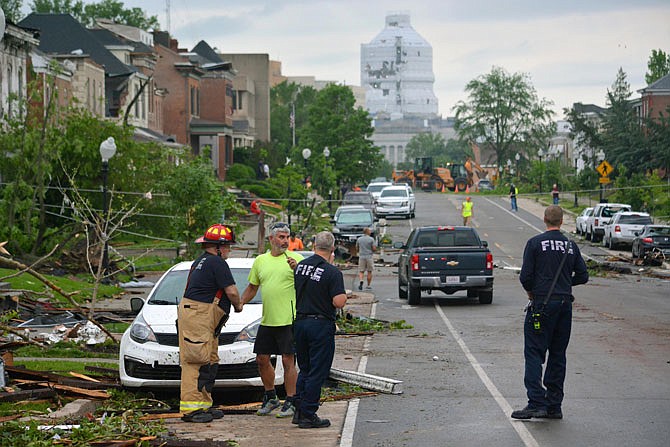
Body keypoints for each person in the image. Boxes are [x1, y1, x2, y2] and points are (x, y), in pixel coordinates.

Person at [512, 205, 589, 420]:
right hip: (564, 305)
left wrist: (534, 291)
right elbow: (583, 276)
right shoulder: (571, 246)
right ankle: (554, 405)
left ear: (544, 219)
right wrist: (565, 283)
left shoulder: (535, 243)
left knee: (534, 353)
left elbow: (525, 277)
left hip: (542, 305)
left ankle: (536, 402)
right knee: (558, 354)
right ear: (562, 222)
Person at [178, 224, 244, 423]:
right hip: (200, 316)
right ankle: (191, 409)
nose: (229, 251)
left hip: (203, 318)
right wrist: (238, 305)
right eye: (227, 247)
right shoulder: (216, 263)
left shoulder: (202, 261)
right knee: (196, 360)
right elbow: (231, 291)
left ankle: (204, 404)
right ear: (218, 247)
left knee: (210, 360)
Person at [240, 222, 303, 418]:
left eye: (287, 237)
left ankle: (291, 400)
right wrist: (240, 303)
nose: (285, 241)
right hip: (268, 319)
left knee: (287, 360)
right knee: (262, 359)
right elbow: (252, 287)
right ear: (271, 239)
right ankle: (271, 397)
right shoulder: (261, 261)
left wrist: (297, 270)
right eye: (281, 237)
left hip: (289, 318)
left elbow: (307, 286)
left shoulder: (296, 259)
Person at [292, 231, 347, 428]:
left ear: (314, 245)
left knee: (304, 369)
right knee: (317, 371)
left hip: (300, 323)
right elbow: (339, 302)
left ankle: (298, 409)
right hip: (320, 325)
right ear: (333, 248)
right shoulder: (332, 273)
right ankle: (308, 413)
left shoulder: (300, 267)